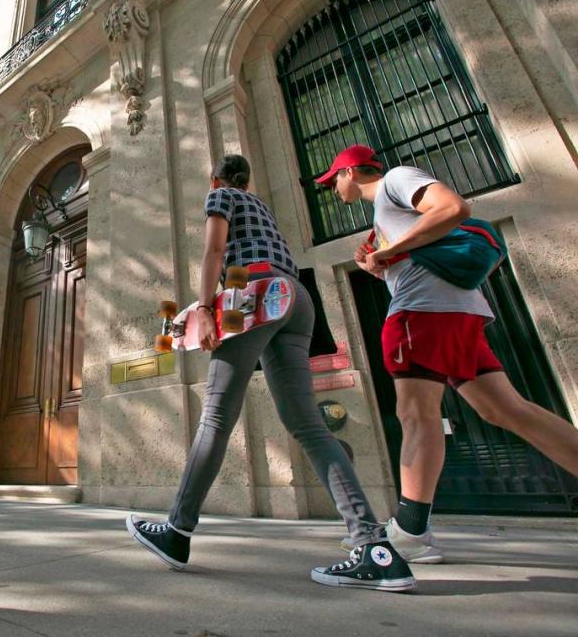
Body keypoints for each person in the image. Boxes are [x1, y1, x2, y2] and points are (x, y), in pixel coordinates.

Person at [125, 154, 416, 592]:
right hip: (296, 298)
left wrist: (206, 308)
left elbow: (215, 250)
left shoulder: (220, 196)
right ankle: (375, 548)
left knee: (216, 418)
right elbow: (252, 261)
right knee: (309, 427)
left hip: (252, 291)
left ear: (216, 179)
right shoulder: (261, 207)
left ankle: (177, 532)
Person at [317, 144, 578, 563]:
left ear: (349, 171)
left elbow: (454, 208)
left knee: (415, 414)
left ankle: (410, 531)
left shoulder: (396, 180)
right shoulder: (384, 211)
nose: (333, 190)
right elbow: (418, 247)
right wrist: (378, 260)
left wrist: (386, 251)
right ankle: (408, 526)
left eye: (333, 181)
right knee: (508, 411)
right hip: (457, 313)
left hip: (423, 312)